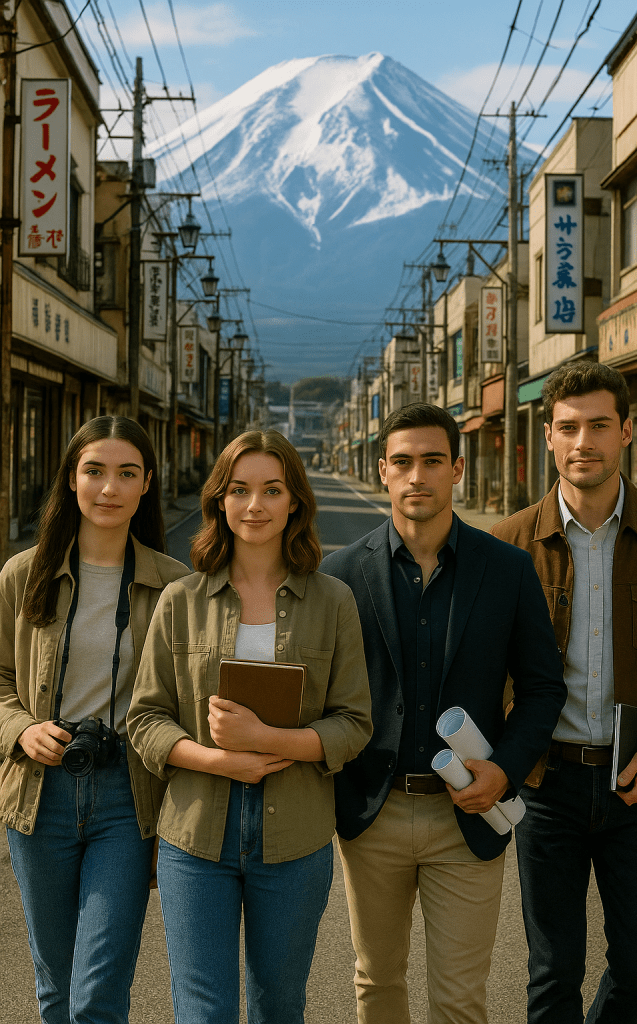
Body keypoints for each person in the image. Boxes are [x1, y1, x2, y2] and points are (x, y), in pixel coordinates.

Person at [319, 403, 566, 1024]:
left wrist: (504, 771)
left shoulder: (506, 569)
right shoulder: (341, 573)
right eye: (402, 462)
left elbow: (542, 688)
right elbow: (320, 695)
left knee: (460, 999)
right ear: (382, 471)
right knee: (376, 984)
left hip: (469, 813)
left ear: (458, 468)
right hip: (372, 812)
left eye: (433, 461)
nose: (417, 476)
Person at [127, 429, 372, 1024]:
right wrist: (217, 760)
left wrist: (266, 741)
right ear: (219, 500)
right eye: (239, 490)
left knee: (279, 1005)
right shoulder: (180, 599)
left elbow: (355, 723)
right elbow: (145, 717)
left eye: (271, 490)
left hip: (295, 836)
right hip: (194, 834)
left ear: (295, 502)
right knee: (203, 1008)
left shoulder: (333, 600)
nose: (254, 505)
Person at [491, 360, 637, 1024]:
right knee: (552, 975)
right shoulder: (508, 544)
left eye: (598, 425)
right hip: (546, 789)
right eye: (567, 427)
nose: (582, 442)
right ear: (547, 435)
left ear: (627, 431)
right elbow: (486, 674)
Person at [0, 416, 189, 1024]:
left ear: (146, 484)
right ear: (72, 480)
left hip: (126, 794)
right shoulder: (21, 575)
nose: (109, 488)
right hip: (40, 790)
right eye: (95, 471)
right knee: (55, 983)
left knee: (99, 988)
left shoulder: (174, 587)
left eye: (126, 473)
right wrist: (23, 729)